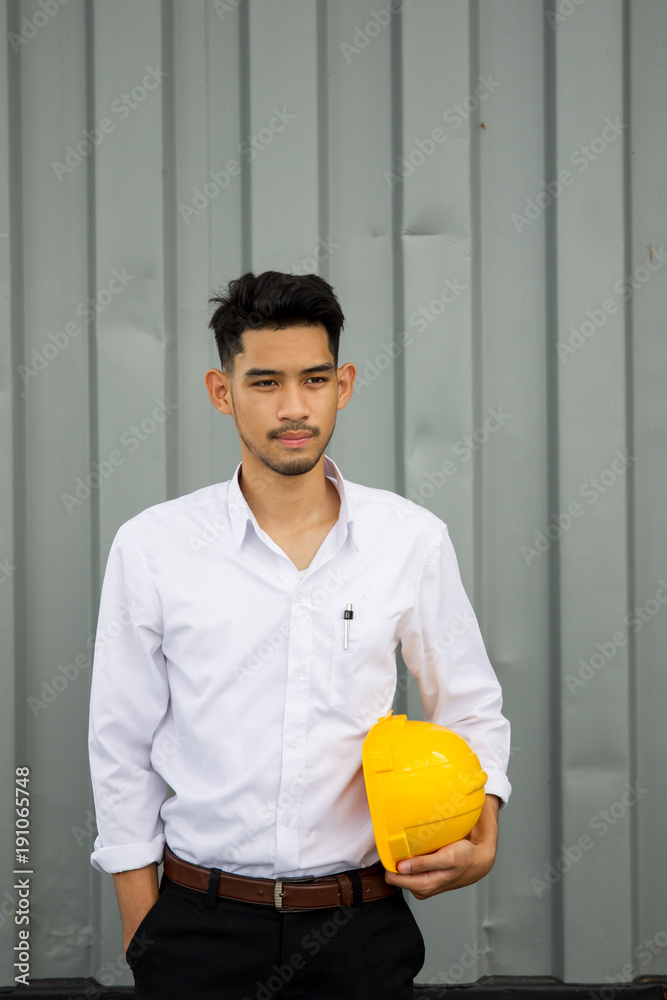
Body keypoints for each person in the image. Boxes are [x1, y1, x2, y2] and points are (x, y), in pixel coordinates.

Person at [88, 270, 511, 1000]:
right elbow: (120, 743)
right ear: (222, 391)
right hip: (196, 929)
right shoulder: (153, 546)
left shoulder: (408, 539)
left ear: (342, 385)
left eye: (314, 380)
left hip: (359, 931)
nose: (293, 407)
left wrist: (484, 834)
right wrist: (142, 933)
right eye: (264, 382)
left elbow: (470, 706)